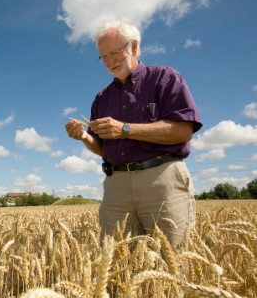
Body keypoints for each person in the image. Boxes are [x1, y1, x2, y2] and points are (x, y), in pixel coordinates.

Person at [65, 19, 202, 248]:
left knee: (173, 263)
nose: (110, 61)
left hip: (162, 179)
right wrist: (85, 137)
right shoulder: (101, 98)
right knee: (115, 264)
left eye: (116, 52)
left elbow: (183, 130)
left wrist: (125, 129)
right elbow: (102, 149)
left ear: (134, 47)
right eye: (104, 56)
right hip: (116, 184)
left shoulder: (165, 78)